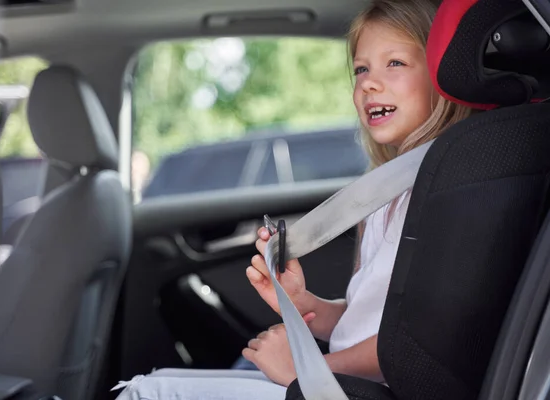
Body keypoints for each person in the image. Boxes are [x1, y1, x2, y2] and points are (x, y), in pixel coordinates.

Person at [113, 0, 472, 398]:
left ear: (443, 73)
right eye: (361, 69)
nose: (368, 83)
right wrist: (304, 303)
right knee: (160, 381)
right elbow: (373, 323)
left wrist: (308, 367)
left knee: (147, 393)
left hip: (372, 391)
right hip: (351, 384)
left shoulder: (447, 192)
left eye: (396, 63)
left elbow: (421, 344)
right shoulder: (388, 193)